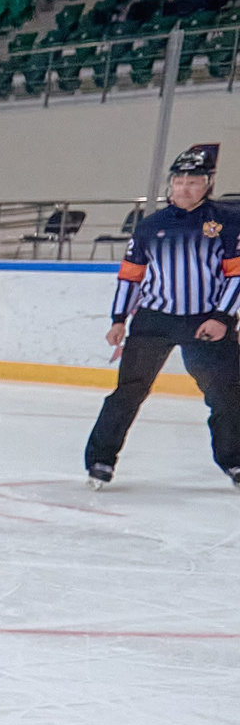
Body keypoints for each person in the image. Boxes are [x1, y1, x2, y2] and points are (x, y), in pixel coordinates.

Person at [85, 143, 240, 487]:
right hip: (154, 320)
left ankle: (235, 462)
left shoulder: (228, 221)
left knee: (227, 394)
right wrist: (118, 319)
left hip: (207, 321)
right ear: (170, 184)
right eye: (179, 181)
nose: (185, 188)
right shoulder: (149, 226)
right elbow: (131, 275)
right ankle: (100, 460)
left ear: (208, 184)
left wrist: (222, 318)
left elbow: (236, 275)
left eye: (194, 182)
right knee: (128, 391)